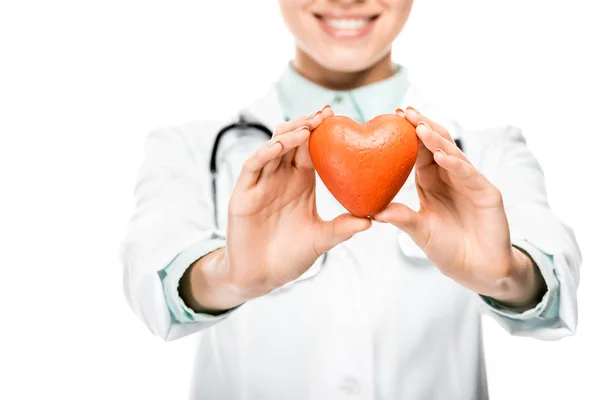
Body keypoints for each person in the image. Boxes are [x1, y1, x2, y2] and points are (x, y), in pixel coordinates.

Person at [120, 1, 581, 399]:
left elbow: (552, 272)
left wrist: (508, 275)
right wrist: (229, 276)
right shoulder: (188, 147)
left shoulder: (489, 150)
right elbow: (152, 278)